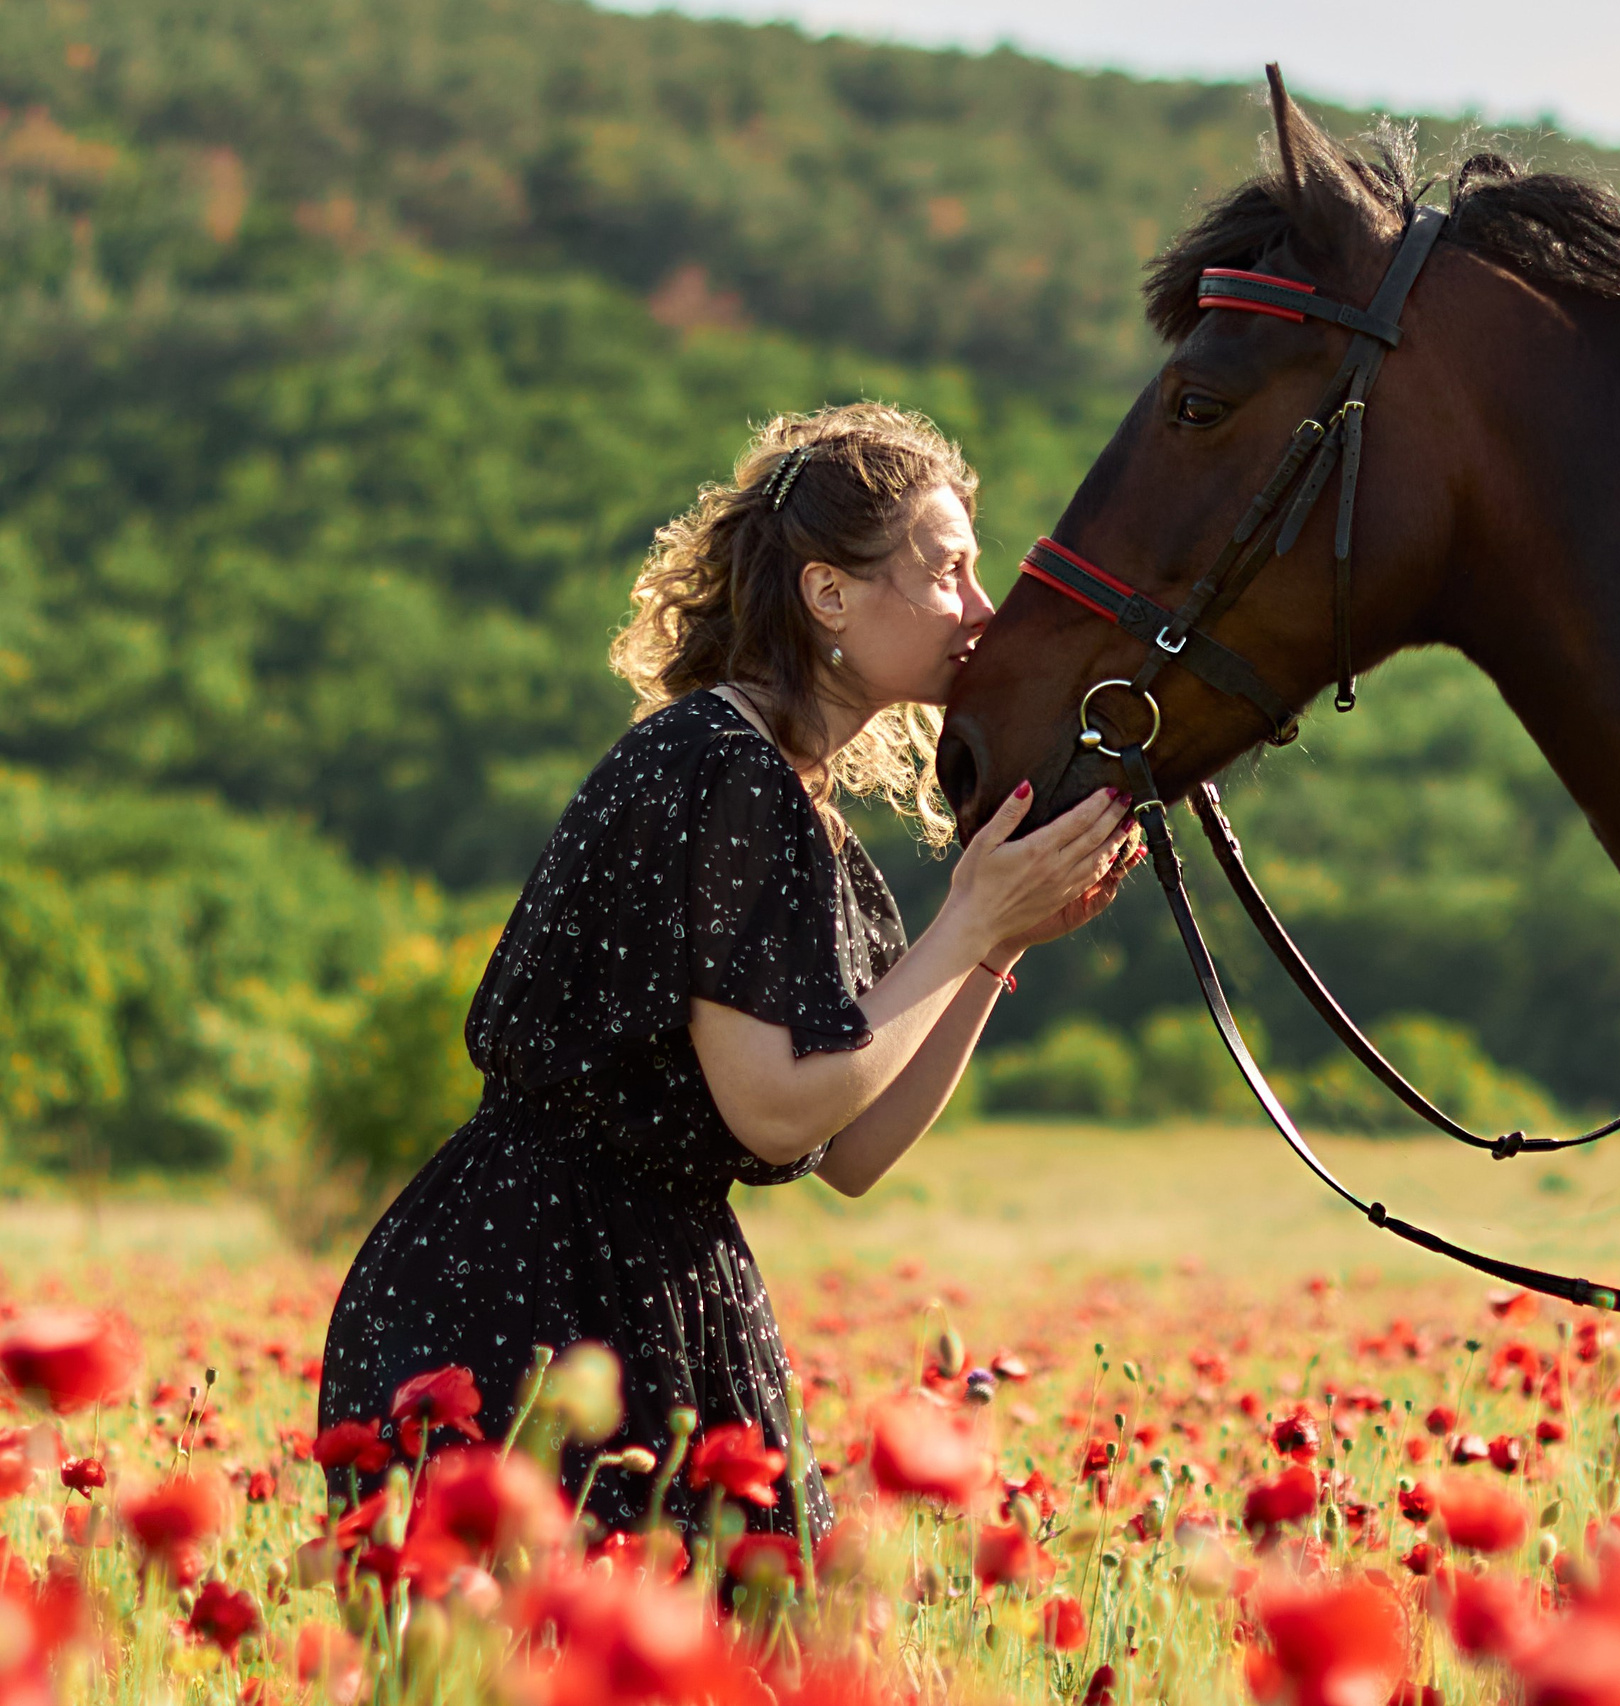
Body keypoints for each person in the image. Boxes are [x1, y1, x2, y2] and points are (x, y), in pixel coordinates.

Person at [316, 403, 1131, 1539]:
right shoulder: (725, 770)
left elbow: (851, 1147)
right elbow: (775, 1103)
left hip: (636, 1269)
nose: (981, 610)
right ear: (829, 593)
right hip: (535, 1282)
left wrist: (992, 944)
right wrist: (967, 920)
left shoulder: (785, 793)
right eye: (946, 570)